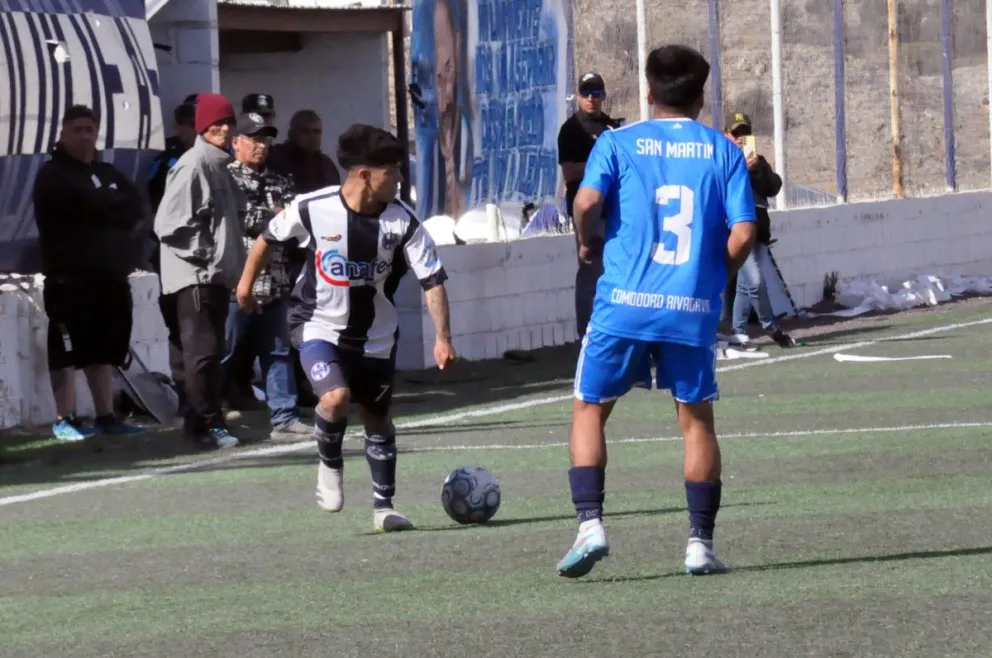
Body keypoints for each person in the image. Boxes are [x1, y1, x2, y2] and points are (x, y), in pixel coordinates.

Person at [556, 45, 758, 578]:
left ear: (648, 92)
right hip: (689, 307)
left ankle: (591, 524)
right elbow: (743, 231)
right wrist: (715, 278)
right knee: (696, 422)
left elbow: (584, 203)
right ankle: (699, 544)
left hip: (623, 303)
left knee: (590, 407)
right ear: (700, 96)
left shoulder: (616, 143)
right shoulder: (723, 151)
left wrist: (585, 244)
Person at [236, 124, 457, 532]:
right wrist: (245, 285)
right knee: (335, 398)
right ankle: (330, 463)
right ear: (364, 175)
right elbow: (267, 237)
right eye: (391, 171)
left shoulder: (402, 222)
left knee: (377, 419)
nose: (399, 178)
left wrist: (443, 337)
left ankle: (383, 507)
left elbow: (433, 280)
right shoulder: (312, 206)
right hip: (316, 324)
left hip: (375, 337)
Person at [32, 105, 146, 440]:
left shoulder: (109, 172)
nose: (84, 136)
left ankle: (106, 416)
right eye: (77, 130)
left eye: (89, 129)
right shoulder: (52, 174)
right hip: (69, 278)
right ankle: (63, 419)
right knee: (67, 349)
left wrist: (103, 204)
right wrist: (103, 204)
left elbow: (134, 207)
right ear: (63, 134)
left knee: (105, 349)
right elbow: (81, 204)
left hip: (109, 278)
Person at [154, 93, 246, 450]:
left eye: (227, 122)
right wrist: (206, 254)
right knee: (202, 354)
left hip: (213, 275)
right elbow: (167, 223)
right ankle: (208, 424)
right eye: (215, 123)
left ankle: (199, 425)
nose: (223, 128)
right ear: (202, 127)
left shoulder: (219, 163)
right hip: (196, 276)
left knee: (205, 353)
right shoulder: (194, 164)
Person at [223, 111, 310, 438]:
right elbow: (238, 219)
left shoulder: (279, 179)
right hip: (237, 281)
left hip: (275, 280)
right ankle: (204, 414)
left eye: (266, 139)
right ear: (236, 143)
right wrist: (273, 217)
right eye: (255, 139)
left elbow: (294, 224)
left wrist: (273, 219)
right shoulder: (226, 177)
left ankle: (284, 417)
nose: (262, 146)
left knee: (278, 351)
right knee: (224, 351)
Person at [556, 72, 622, 339]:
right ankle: (587, 334)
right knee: (590, 272)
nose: (591, 99)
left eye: (596, 94)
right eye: (585, 94)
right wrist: (601, 165)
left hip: (614, 210)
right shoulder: (572, 129)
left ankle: (614, 331)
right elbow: (569, 171)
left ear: (604, 96)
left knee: (616, 273)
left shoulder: (611, 128)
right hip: (588, 214)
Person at [723, 112, 796, 348]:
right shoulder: (723, 159)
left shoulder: (759, 161)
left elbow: (774, 186)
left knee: (746, 286)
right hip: (737, 231)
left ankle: (739, 330)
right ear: (727, 135)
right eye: (737, 134)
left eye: (745, 134)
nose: (741, 139)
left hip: (759, 232)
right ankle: (771, 327)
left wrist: (755, 168)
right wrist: (740, 167)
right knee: (753, 281)